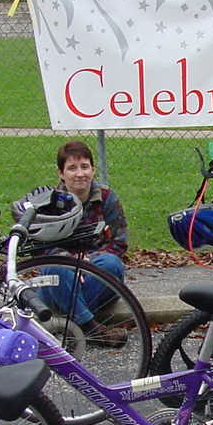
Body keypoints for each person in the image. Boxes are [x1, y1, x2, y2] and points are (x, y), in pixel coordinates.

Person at [36, 140, 129, 347]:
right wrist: (72, 263)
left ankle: (71, 322)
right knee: (55, 268)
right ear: (61, 173)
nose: (80, 174)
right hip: (61, 274)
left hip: (94, 273)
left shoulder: (107, 198)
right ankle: (91, 330)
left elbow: (119, 243)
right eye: (72, 168)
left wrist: (87, 263)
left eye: (85, 167)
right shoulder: (48, 203)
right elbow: (42, 249)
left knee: (112, 264)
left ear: (93, 170)